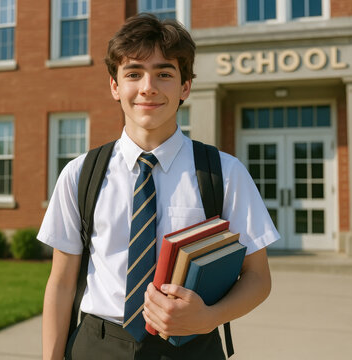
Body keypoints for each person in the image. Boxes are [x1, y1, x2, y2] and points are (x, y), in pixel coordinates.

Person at [38, 13, 279, 360]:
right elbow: (61, 283)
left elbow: (258, 279)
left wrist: (208, 317)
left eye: (164, 74)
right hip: (98, 344)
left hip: (192, 345)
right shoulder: (80, 174)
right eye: (133, 73)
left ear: (185, 87)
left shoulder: (225, 173)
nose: (148, 86)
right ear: (114, 86)